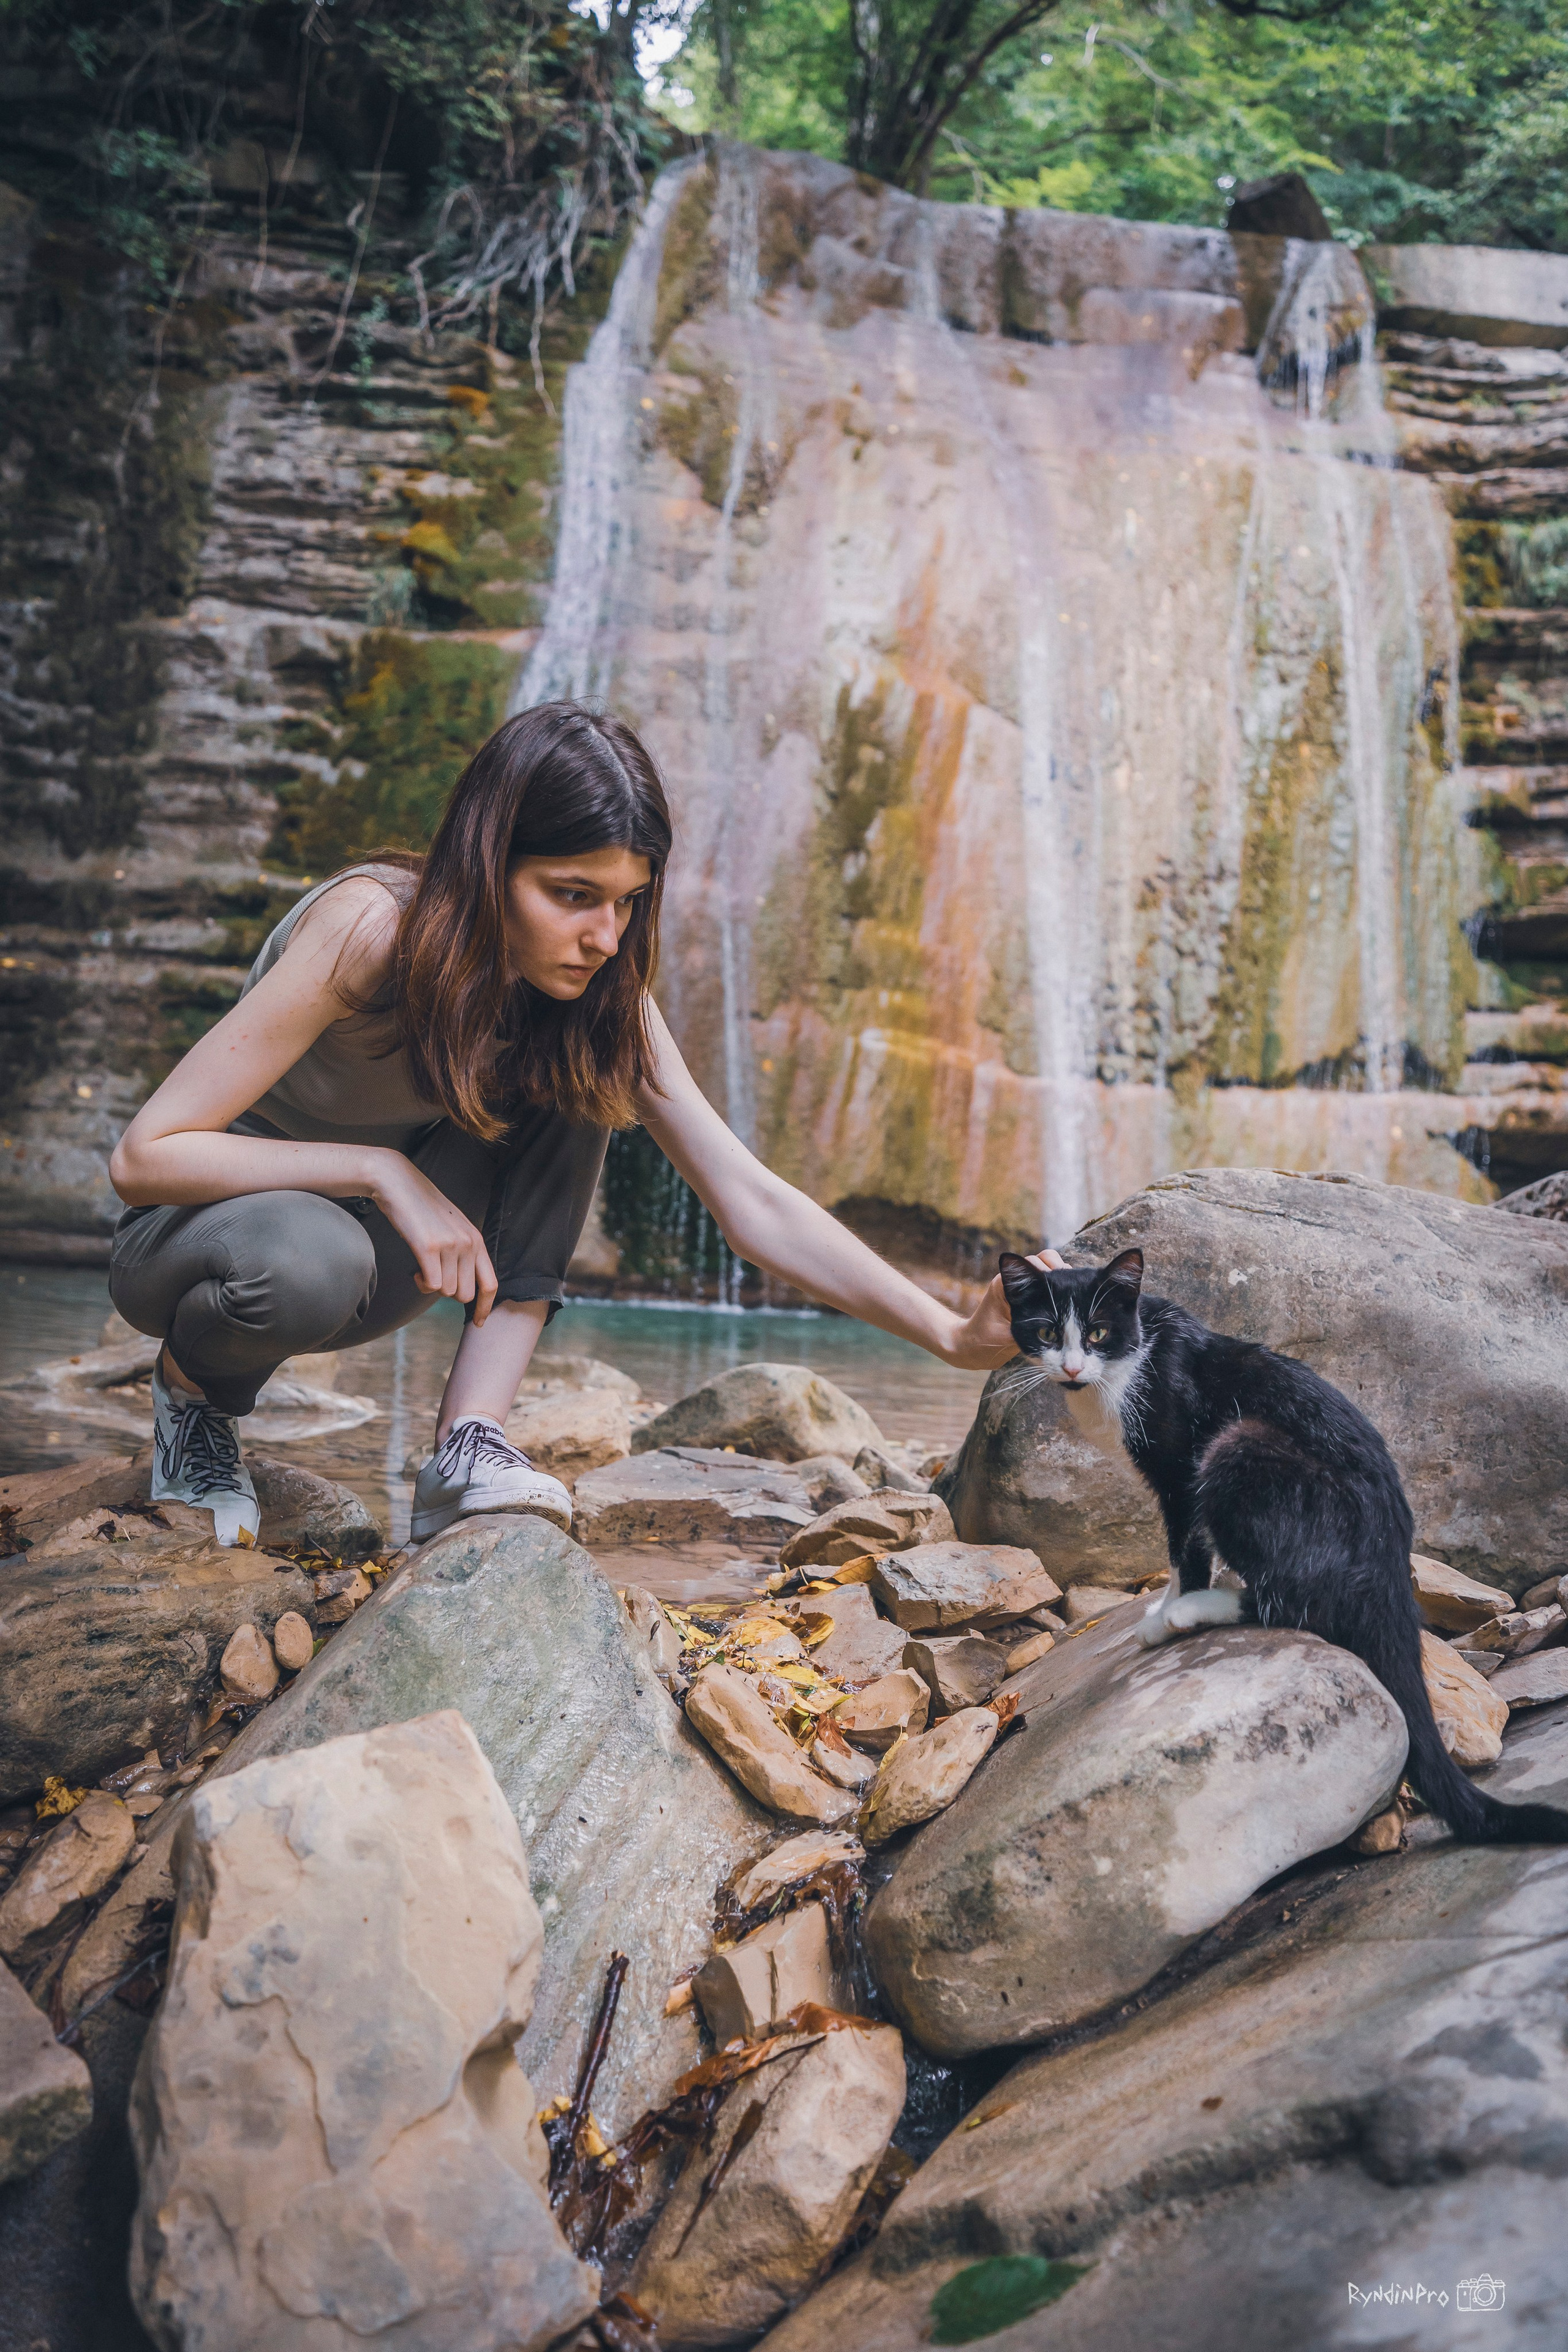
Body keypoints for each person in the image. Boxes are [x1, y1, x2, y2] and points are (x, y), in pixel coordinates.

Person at [108, 702, 1053, 1548]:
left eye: (627, 901)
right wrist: (382, 1173)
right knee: (311, 1251)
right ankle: (195, 1401)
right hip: (208, 1240)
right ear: (491, 864)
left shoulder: (598, 996)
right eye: (573, 895)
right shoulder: (369, 931)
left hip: (383, 1256)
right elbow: (145, 1156)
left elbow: (750, 1199)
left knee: (585, 1069)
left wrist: (951, 1334)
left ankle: (468, 1444)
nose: (605, 937)